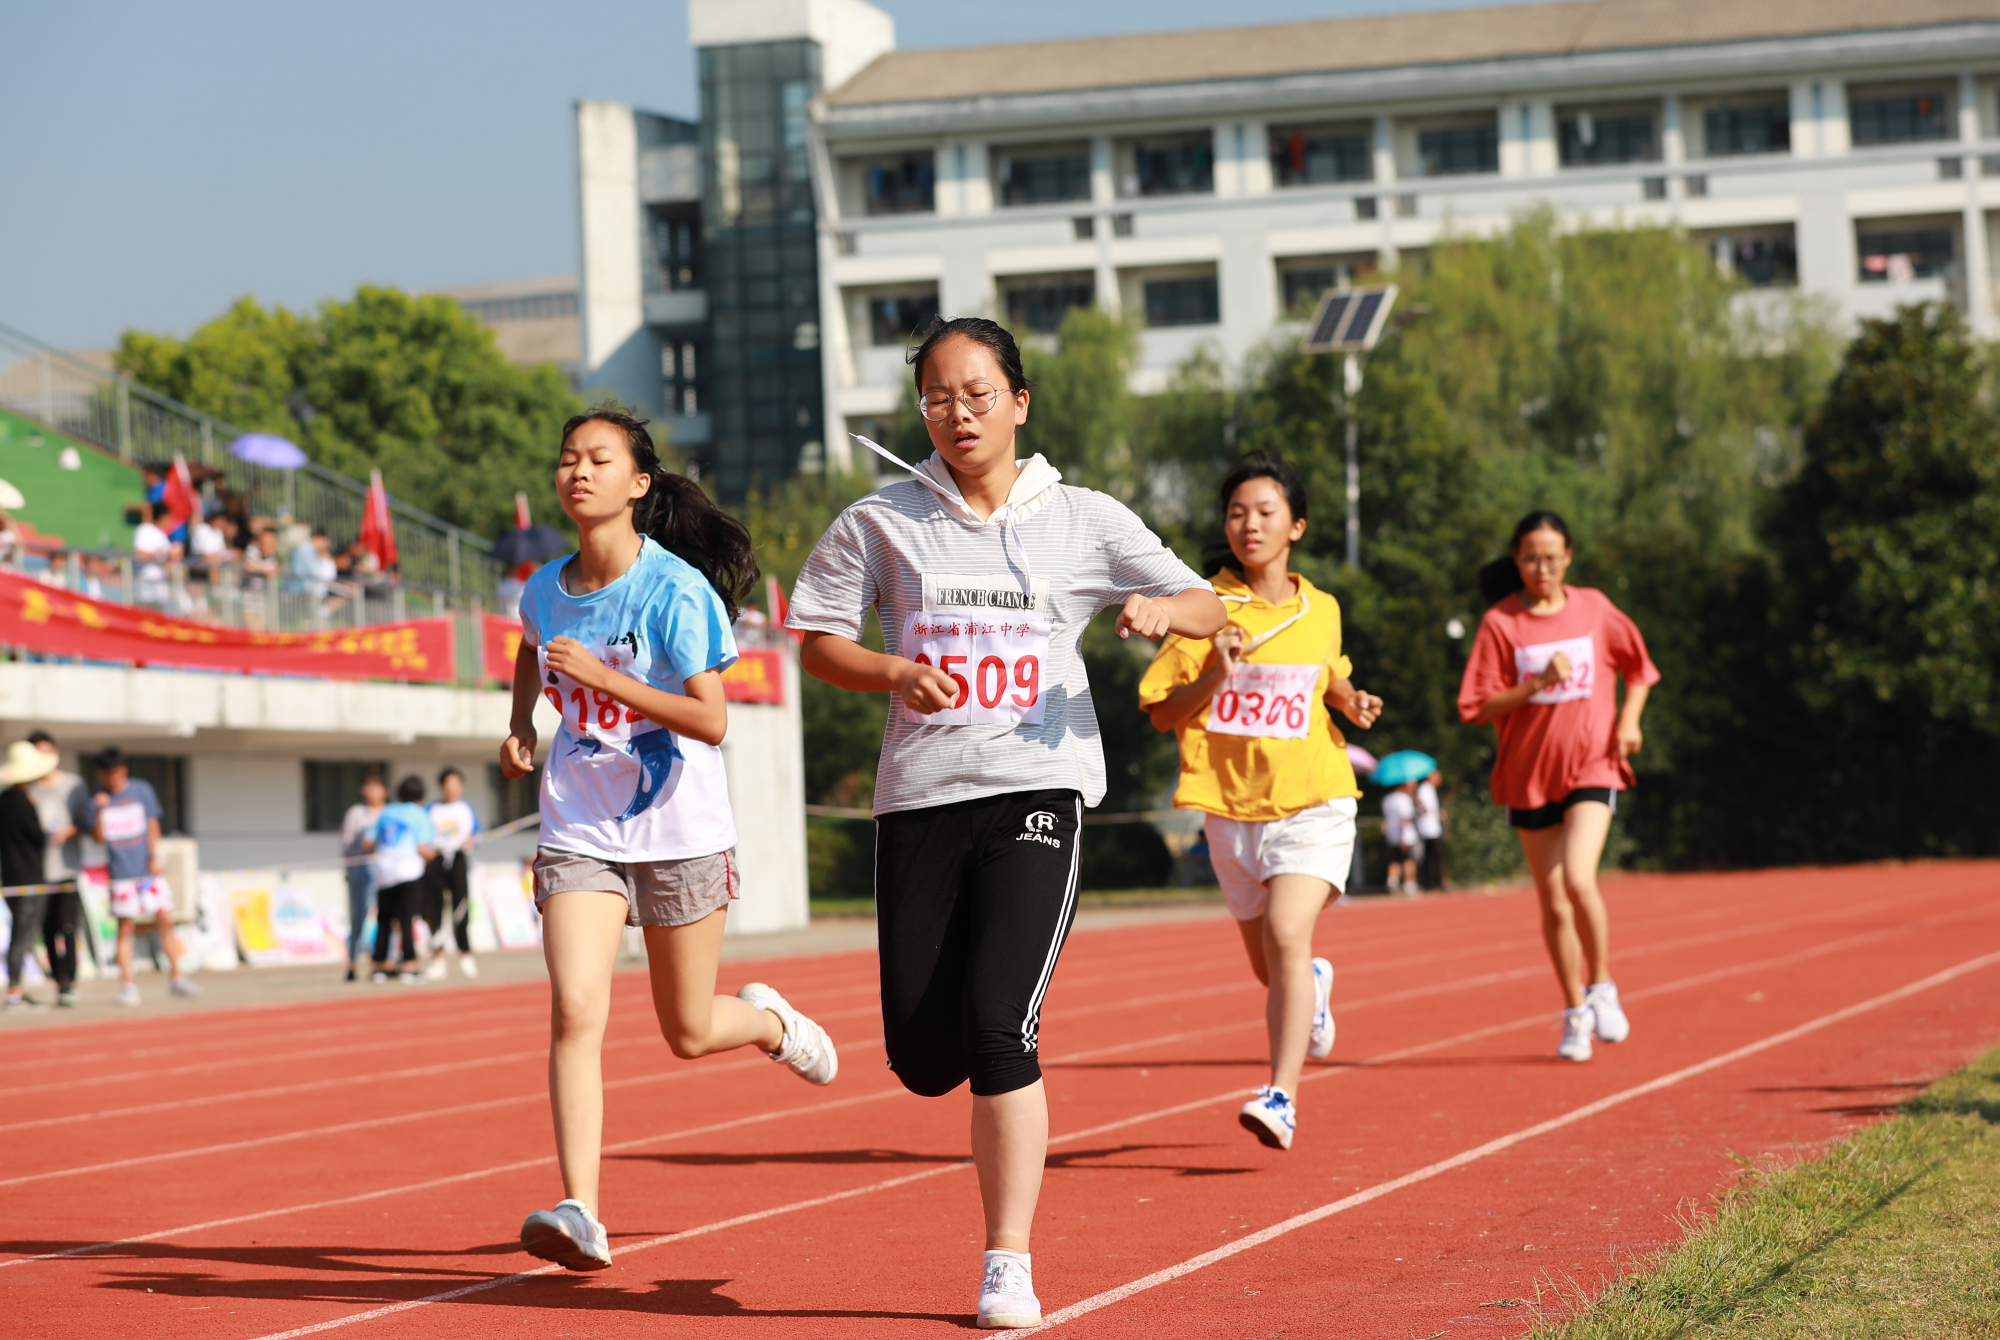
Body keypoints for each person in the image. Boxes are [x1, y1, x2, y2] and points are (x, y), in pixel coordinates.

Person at [788, 315, 1224, 1328]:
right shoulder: (879, 519)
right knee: (923, 1058)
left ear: (1017, 401)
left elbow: (1208, 605)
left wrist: (1161, 613)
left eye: (976, 392)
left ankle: (1006, 1260)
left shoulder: (1081, 515)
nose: (956, 412)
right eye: (938, 396)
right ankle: (957, 1112)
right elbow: (813, 640)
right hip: (920, 799)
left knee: (999, 1020)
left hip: (1038, 791)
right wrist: (894, 669)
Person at [500, 407, 837, 1274]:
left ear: (637, 483)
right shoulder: (542, 586)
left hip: (680, 826)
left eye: (598, 458)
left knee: (686, 1031)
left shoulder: (675, 590)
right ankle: (582, 1209)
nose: (578, 470)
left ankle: (767, 1023)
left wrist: (608, 679)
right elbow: (530, 651)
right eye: (567, 456)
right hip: (580, 823)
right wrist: (520, 728)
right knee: (576, 1008)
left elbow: (711, 719)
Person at [1138, 455, 1380, 1153]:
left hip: (1314, 800)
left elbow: (1326, 674)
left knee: (1285, 932)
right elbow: (1162, 713)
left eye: (1266, 512)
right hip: (1231, 811)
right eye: (1238, 512)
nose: (1250, 524)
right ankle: (1314, 986)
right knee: (1271, 966)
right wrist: (1215, 670)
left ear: (1295, 526)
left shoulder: (1321, 608)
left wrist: (1349, 699)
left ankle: (1282, 1096)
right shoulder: (1204, 608)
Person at [1457, 510, 1659, 1063]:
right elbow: (1474, 706)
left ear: (1568, 555)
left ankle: (1601, 986)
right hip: (1528, 775)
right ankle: (1574, 1011)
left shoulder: (1594, 608)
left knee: (1578, 877)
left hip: (1593, 765)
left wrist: (1629, 720)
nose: (1541, 568)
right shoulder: (1501, 622)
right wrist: (1535, 684)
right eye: (1529, 558)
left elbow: (1640, 668)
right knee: (1552, 901)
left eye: (1551, 557)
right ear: (1516, 559)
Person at [92, 746, 196, 1005]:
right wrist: (100, 811)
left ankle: (177, 977)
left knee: (165, 920)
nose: (112, 777)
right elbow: (97, 838)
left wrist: (154, 856)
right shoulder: (97, 801)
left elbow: (152, 824)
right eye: (107, 773)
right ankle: (127, 985)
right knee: (125, 928)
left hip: (147, 872)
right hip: (121, 875)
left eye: (116, 772)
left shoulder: (142, 790)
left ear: (124, 770)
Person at [27, 732, 88, 1006]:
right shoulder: (27, 789)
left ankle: (70, 981)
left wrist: (69, 832)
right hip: (37, 873)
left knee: (67, 926)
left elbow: (86, 823)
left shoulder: (73, 784)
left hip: (66, 869)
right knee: (46, 929)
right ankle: (58, 979)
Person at [1, 740, 54, 1008]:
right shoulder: (24, 803)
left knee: (20, 934)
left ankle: (16, 988)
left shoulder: (3, 801)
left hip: (9, 877)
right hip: (29, 879)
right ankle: (14, 992)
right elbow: (38, 839)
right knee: (22, 935)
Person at [366, 776, 434, 982]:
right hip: (408, 873)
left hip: (384, 873)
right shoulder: (419, 814)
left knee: (384, 920)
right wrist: (433, 855)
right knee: (406, 919)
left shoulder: (385, 812)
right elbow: (423, 848)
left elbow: (368, 843)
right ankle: (408, 964)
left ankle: (379, 966)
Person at [422, 765, 481, 980]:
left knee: (461, 906)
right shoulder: (431, 809)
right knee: (434, 908)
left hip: (458, 859)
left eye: (457, 785)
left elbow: (477, 834)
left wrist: (471, 841)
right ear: (441, 787)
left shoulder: (467, 808)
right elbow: (423, 836)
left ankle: (465, 955)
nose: (453, 789)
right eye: (449, 785)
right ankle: (437, 957)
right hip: (437, 860)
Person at [341, 772, 387, 982]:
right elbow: (347, 845)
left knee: (385, 918)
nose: (371, 792)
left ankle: (383, 961)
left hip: (386, 874)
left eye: (376, 787)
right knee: (358, 918)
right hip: (360, 872)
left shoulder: (389, 813)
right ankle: (353, 963)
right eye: (368, 787)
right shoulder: (356, 814)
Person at [132, 502, 180, 608]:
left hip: (160, 588)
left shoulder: (163, 535)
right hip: (146, 585)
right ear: (162, 516)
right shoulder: (145, 529)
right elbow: (140, 554)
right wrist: (165, 553)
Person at [1380, 780, 1420, 897]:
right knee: (1408, 860)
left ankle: (1392, 882)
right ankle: (1409, 885)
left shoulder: (1387, 798)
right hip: (1405, 836)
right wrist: (1402, 837)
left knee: (1395, 860)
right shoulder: (1403, 799)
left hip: (1392, 835)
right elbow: (1404, 819)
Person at [1415, 769, 1445, 891]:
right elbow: (1418, 800)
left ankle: (1430, 883)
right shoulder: (1425, 788)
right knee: (1436, 856)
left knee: (1431, 856)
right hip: (1428, 828)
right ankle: (1433, 883)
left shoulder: (1429, 789)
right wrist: (1423, 809)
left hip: (1431, 827)